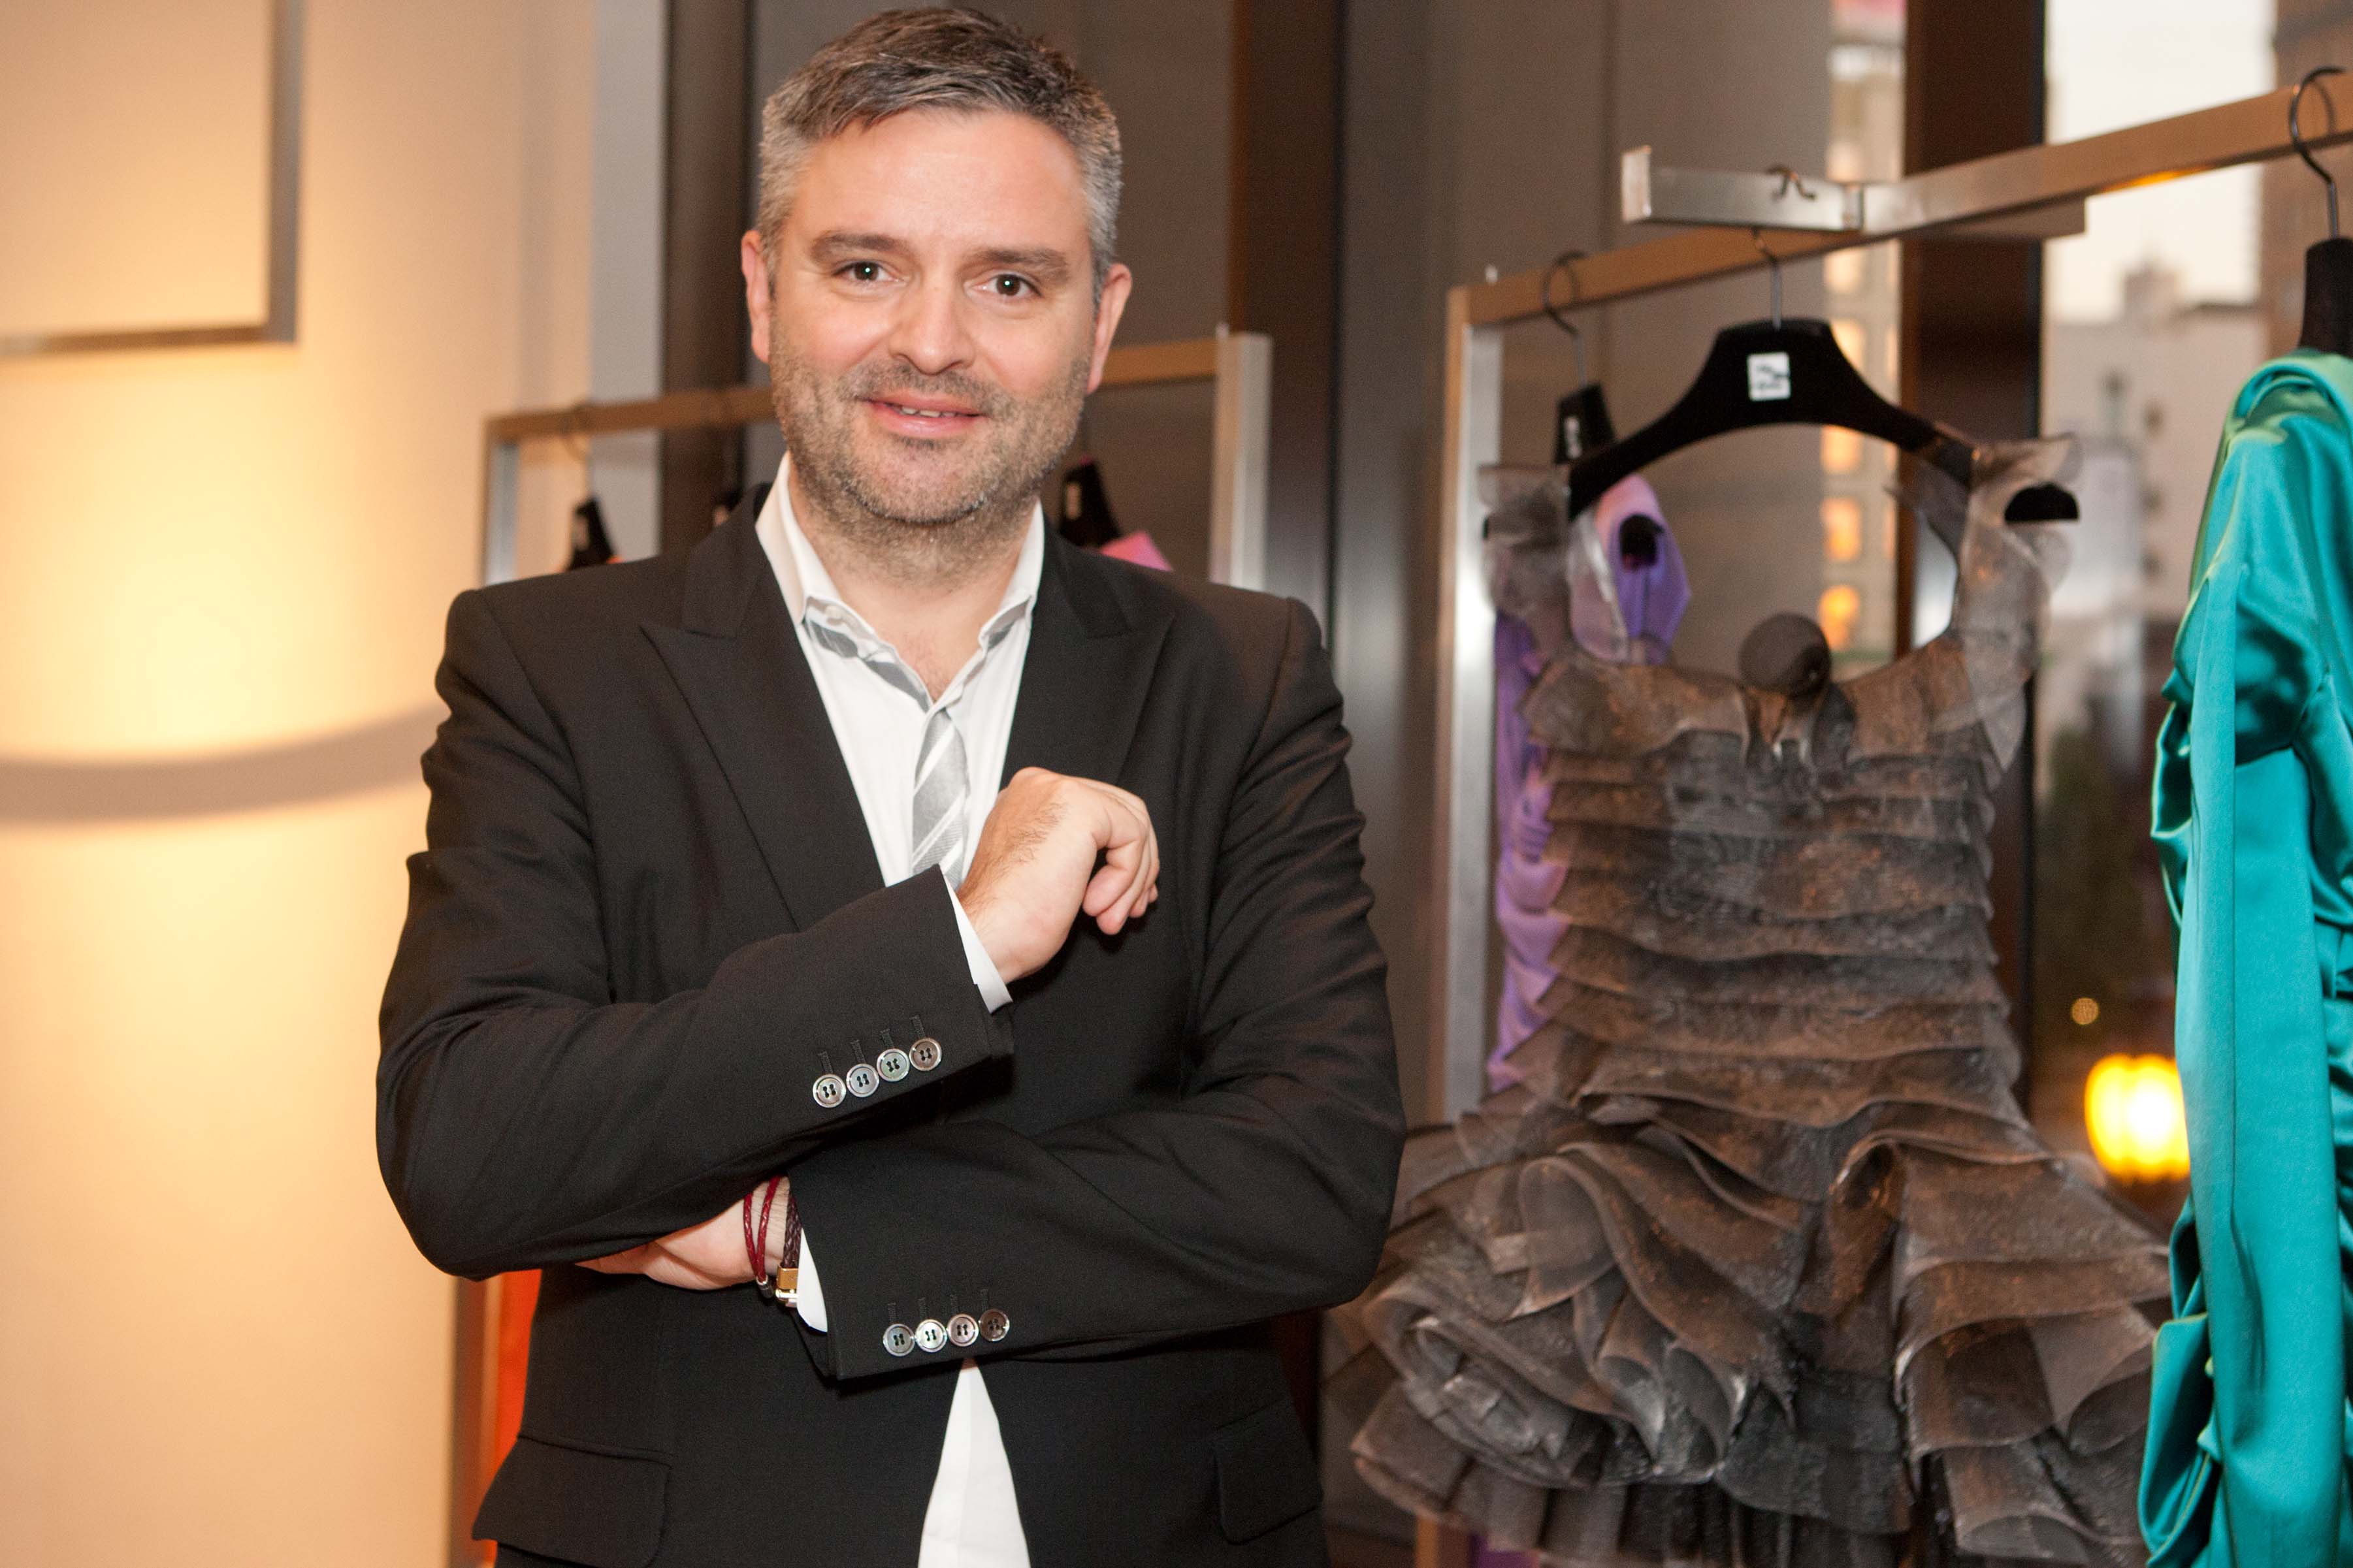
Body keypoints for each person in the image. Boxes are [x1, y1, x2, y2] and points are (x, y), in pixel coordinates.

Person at [376, 10, 1403, 1566]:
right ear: (761, 291)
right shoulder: (553, 664)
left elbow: (1310, 1179)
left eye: (1010, 283)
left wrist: (801, 1232)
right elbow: (473, 1148)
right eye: (865, 268)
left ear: (1102, 320)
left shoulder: (1239, 674)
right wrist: (960, 943)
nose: (932, 342)